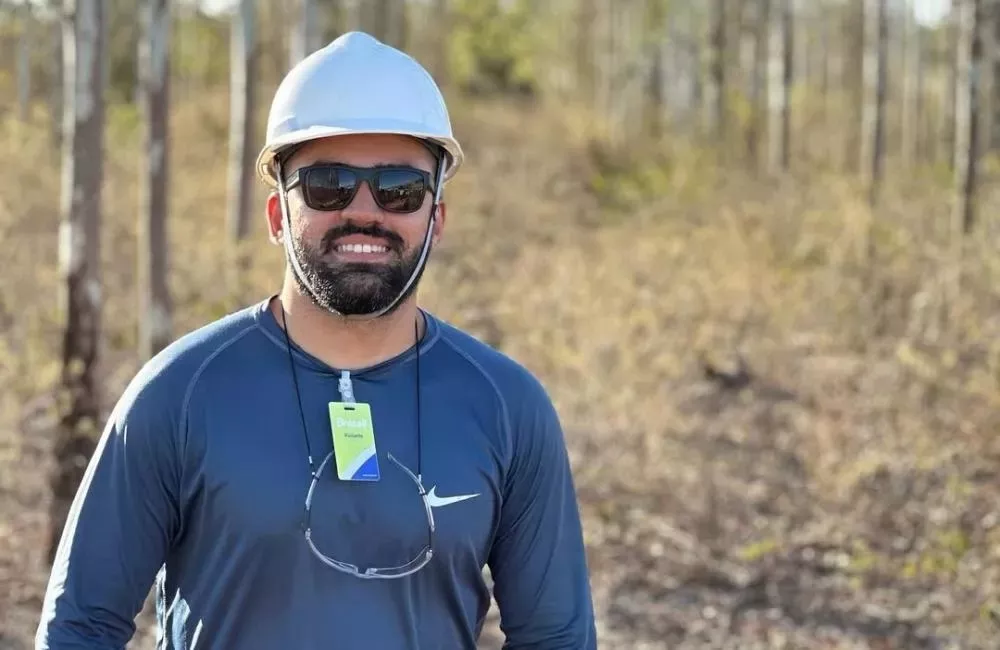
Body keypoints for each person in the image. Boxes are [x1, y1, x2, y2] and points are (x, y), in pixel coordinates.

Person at [35, 31, 596, 649]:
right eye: (327, 185)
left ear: (435, 218)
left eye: (399, 189)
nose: (365, 212)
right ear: (278, 215)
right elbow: (80, 627)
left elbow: (557, 638)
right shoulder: (180, 394)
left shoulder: (507, 408)